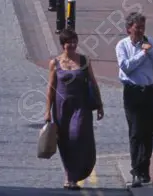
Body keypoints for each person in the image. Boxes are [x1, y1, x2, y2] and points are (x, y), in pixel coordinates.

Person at [44, 28, 104, 190]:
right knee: (64, 140)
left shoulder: (84, 61)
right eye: (68, 42)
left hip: (81, 105)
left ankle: (80, 170)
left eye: (74, 42)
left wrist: (99, 104)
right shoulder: (55, 63)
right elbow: (50, 88)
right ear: (63, 45)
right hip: (61, 107)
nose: (72, 45)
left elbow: (93, 82)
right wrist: (47, 111)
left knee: (77, 136)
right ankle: (69, 176)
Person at [115, 11, 153, 188]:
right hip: (132, 92)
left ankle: (145, 169)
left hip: (150, 92)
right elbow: (126, 67)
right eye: (137, 28)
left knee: (149, 132)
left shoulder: (151, 43)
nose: (141, 31)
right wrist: (142, 55)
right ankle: (136, 171)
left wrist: (150, 52)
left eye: (143, 28)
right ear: (129, 28)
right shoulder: (122, 46)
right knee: (136, 133)